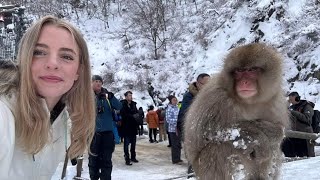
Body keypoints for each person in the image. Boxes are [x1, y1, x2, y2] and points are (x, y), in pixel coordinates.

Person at [0, 15, 96, 179]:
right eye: (38, 52)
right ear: (24, 60)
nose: (52, 63)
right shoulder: (4, 114)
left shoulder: (63, 121)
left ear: (78, 71)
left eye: (66, 56)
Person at [89, 75, 122, 180]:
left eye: (100, 81)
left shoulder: (107, 96)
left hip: (107, 133)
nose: (98, 83)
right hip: (93, 133)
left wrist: (112, 97)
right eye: (96, 81)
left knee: (107, 160)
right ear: (91, 83)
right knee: (93, 159)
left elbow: (119, 107)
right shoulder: (87, 96)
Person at [177, 73, 210, 176]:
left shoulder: (209, 95)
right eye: (206, 84)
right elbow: (185, 114)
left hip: (206, 132)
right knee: (194, 160)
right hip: (192, 133)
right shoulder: (189, 96)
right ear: (198, 84)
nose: (209, 86)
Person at [282, 91, 315, 157]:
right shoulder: (292, 107)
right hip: (295, 134)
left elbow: (307, 119)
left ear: (297, 98)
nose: (290, 101)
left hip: (305, 134)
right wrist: (286, 104)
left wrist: (294, 112)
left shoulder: (307, 106)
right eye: (289, 100)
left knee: (305, 156)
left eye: (291, 99)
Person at [120, 91, 139, 165]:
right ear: (126, 97)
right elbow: (123, 115)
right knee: (126, 143)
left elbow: (136, 113)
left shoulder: (134, 104)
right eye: (129, 95)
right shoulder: (123, 104)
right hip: (126, 126)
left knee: (133, 143)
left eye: (131, 95)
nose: (130, 97)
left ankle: (133, 157)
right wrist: (132, 116)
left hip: (133, 126)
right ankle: (127, 158)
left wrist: (136, 116)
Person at [166, 95, 182, 164]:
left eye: (176, 100)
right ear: (170, 101)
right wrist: (177, 121)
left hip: (178, 128)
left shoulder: (177, 108)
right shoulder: (169, 109)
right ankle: (175, 159)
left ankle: (178, 158)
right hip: (172, 129)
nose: (175, 101)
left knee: (178, 144)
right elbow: (168, 120)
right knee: (174, 145)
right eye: (174, 100)